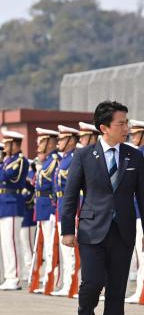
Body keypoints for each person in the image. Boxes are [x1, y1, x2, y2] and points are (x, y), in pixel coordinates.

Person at [61, 100, 144, 315]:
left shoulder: (134, 155)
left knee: (117, 289)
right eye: (121, 123)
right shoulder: (83, 156)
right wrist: (67, 230)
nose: (127, 127)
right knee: (91, 284)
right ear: (104, 127)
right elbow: (70, 196)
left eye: (127, 122)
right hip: (92, 231)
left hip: (123, 231)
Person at [124, 119, 144, 303]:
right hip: (135, 210)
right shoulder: (138, 154)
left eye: (137, 134)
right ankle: (141, 289)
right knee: (139, 253)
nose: (134, 137)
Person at [51, 125, 81, 297]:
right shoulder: (64, 159)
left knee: (72, 251)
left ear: (71, 140)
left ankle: (74, 284)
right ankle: (68, 284)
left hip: (71, 207)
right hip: (62, 206)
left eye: (62, 139)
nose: (58, 142)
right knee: (65, 251)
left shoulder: (74, 158)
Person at [0, 130, 28, 290]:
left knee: (12, 241)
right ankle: (9, 275)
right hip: (4, 203)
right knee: (5, 242)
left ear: (15, 145)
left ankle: (14, 277)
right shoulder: (7, 160)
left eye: (7, 144)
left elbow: (8, 177)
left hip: (12, 202)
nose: (4, 147)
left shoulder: (20, 160)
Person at [33, 128, 59, 293]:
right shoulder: (46, 161)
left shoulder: (54, 160)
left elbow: (50, 183)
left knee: (51, 245)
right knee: (46, 245)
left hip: (49, 205)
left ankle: (53, 279)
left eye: (42, 141)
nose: (38, 144)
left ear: (50, 143)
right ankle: (49, 278)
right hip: (42, 205)